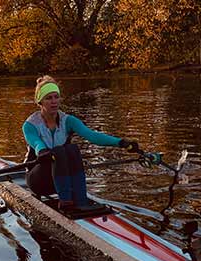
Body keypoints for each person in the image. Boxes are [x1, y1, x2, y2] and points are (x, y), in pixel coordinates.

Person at [22, 75, 142, 210]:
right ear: (40, 101)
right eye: (49, 98)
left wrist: (121, 142)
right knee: (59, 151)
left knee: (72, 149)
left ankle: (80, 200)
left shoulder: (68, 120)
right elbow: (36, 142)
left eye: (56, 97)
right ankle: (66, 202)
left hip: (61, 179)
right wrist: (42, 151)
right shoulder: (30, 125)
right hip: (39, 181)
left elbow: (92, 136)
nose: (54, 101)